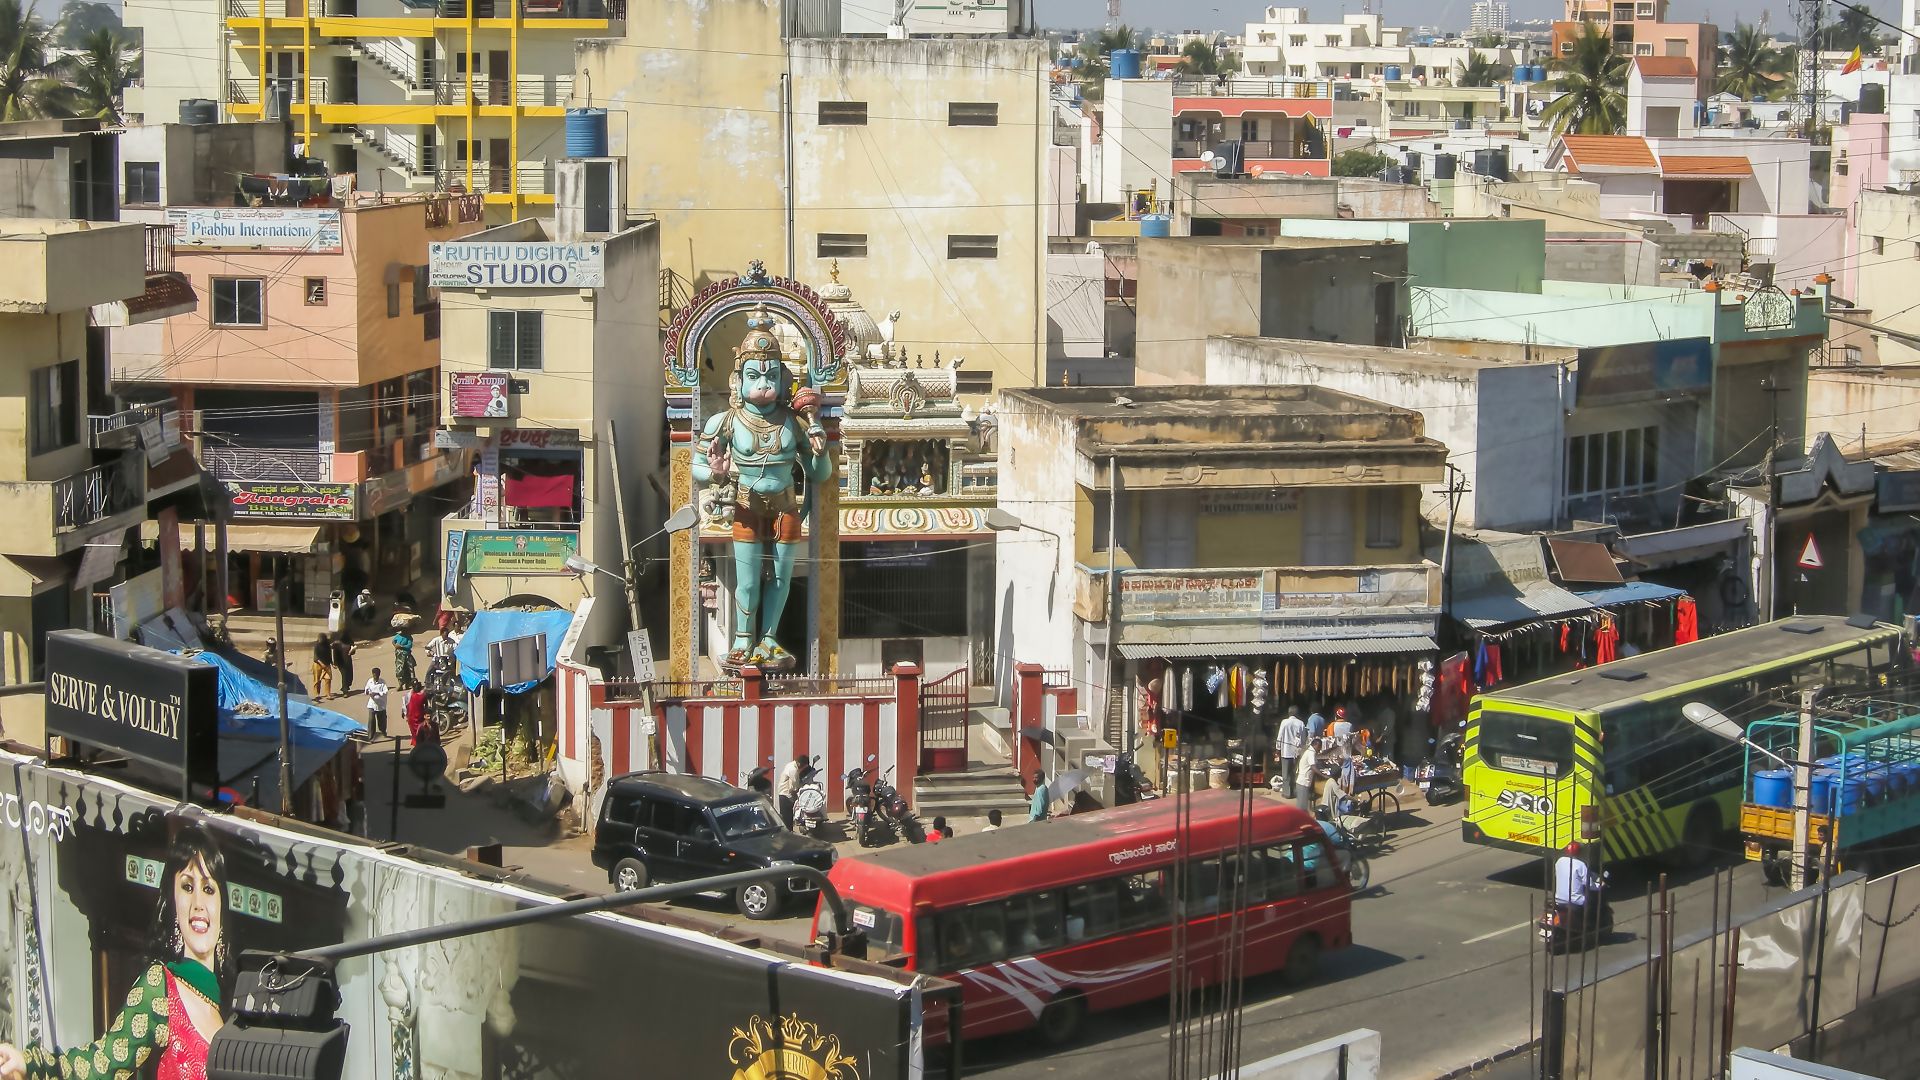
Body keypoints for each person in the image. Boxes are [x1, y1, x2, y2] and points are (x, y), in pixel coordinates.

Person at [0, 822, 232, 1079]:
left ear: (222, 905)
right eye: (187, 887)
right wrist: (30, 1063)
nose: (199, 903)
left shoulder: (232, 1009)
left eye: (209, 889)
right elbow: (102, 1064)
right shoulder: (161, 988)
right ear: (172, 903)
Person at [1276, 708, 1308, 799]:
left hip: (1286, 751)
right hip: (1296, 752)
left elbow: (1280, 736)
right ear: (1297, 714)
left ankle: (1287, 793)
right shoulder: (1301, 723)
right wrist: (1302, 750)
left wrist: (1278, 749)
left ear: (1289, 713)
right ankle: (1295, 792)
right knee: (1295, 772)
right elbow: (1303, 738)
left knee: (1286, 773)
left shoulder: (1284, 722)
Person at [1554, 842, 1592, 908]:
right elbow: (1589, 884)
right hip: (1575, 900)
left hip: (1558, 899)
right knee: (1592, 902)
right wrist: (1599, 886)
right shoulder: (1580, 864)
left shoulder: (1559, 861)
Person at [776, 753, 805, 829]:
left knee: (785, 814)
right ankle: (789, 831)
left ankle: (787, 830)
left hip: (783, 792)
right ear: (799, 763)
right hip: (786, 793)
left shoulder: (790, 765)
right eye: (802, 765)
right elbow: (794, 784)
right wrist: (797, 791)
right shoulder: (793, 769)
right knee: (787, 815)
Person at [364, 668, 390, 734]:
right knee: (371, 721)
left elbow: (385, 691)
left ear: (379, 674)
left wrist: (377, 693)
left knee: (382, 721)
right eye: (374, 675)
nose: (375, 677)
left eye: (377, 675)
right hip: (372, 704)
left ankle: (383, 731)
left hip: (381, 705)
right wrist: (367, 691)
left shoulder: (382, 682)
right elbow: (366, 688)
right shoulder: (370, 681)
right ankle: (371, 736)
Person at [310, 633, 333, 699]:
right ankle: (316, 694)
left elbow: (329, 655)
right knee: (317, 680)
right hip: (317, 664)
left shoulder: (327, 645)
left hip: (327, 664)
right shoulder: (316, 645)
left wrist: (332, 663)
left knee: (328, 679)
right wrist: (321, 664)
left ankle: (328, 694)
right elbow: (315, 657)